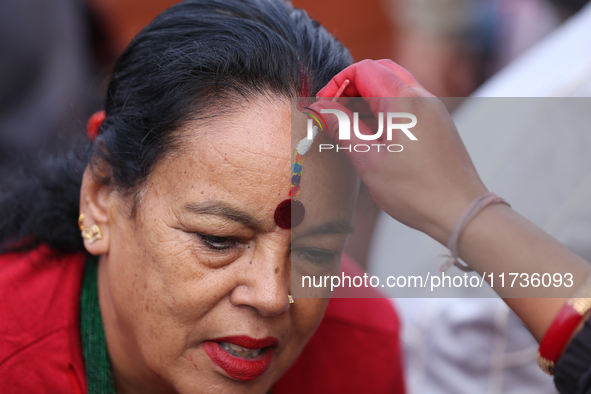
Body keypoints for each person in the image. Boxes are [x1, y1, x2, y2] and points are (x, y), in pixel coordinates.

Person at [0, 1, 405, 393]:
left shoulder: (360, 351)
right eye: (219, 240)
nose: (272, 296)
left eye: (315, 252)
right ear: (101, 195)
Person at [312, 59, 591, 394]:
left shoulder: (377, 333)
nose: (269, 296)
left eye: (311, 250)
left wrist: (462, 208)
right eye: (229, 241)